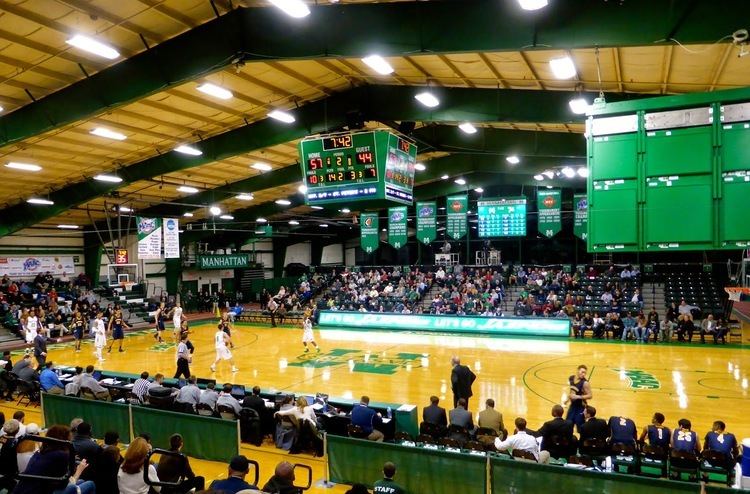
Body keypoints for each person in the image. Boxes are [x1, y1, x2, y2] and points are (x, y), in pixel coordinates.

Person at [12, 425, 95, 494]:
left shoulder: (39, 452)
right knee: (90, 484)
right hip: (39, 491)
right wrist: (79, 471)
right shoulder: (61, 455)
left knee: (81, 482)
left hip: (22, 490)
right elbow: (63, 485)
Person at [565, 364, 592, 433]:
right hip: (573, 406)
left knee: (580, 429)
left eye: (585, 373)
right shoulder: (571, 378)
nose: (583, 374)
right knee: (567, 426)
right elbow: (572, 391)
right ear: (577, 370)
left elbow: (590, 395)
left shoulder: (585, 383)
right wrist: (568, 399)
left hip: (581, 407)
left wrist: (578, 397)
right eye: (582, 372)